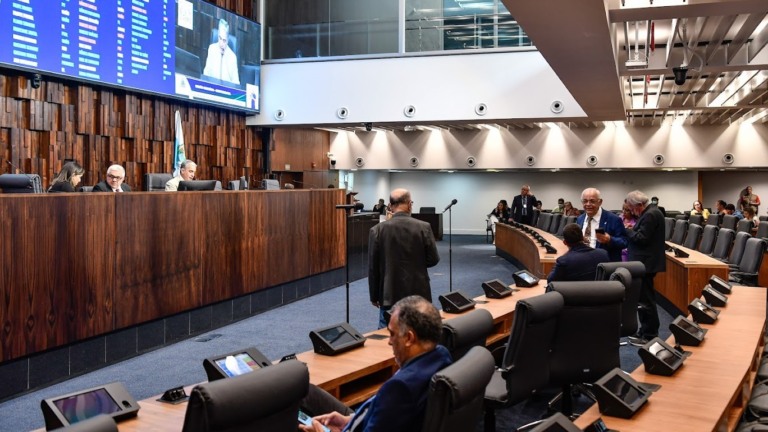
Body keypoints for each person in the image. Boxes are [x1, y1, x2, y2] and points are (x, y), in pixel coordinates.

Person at [298, 295, 452, 432]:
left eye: (392, 334)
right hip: (362, 418)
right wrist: (349, 420)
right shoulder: (441, 355)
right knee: (305, 391)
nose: (389, 342)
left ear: (409, 338)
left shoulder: (400, 389)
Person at [368, 189, 440, 329]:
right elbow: (433, 259)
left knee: (386, 337)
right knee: (419, 334)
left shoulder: (377, 230)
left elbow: (373, 268)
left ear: (390, 206)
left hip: (389, 293)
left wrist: (374, 295)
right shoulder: (424, 227)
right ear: (409, 204)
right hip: (419, 292)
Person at [624, 190, 666, 346]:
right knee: (643, 300)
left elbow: (642, 239)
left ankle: (649, 335)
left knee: (646, 301)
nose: (632, 212)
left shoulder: (650, 215)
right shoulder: (652, 212)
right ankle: (644, 331)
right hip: (646, 262)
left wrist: (627, 230)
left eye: (632, 208)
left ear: (640, 205)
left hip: (646, 264)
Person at [575, 187, 627, 262]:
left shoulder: (613, 219)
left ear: (600, 202)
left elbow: (624, 242)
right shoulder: (580, 219)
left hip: (604, 264)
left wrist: (609, 240)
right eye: (585, 201)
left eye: (592, 201)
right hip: (583, 262)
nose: (588, 204)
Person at [203, 19, 240, 85]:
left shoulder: (232, 57)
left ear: (228, 40)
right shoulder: (211, 49)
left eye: (224, 40)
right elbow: (206, 73)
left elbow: (236, 82)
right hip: (212, 88)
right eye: (220, 38)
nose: (221, 43)